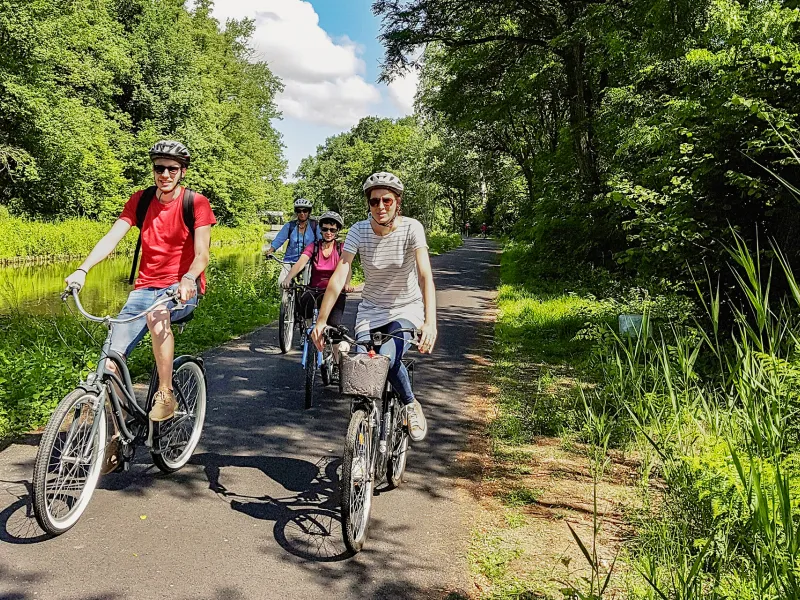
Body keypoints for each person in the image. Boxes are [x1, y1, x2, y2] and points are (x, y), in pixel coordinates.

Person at [65, 140, 216, 421]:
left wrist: (188, 278)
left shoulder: (195, 202)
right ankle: (120, 429)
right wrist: (82, 270)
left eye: (172, 169)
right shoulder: (141, 200)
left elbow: (202, 254)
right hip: (144, 289)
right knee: (110, 362)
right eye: (159, 168)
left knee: (157, 315)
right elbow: (111, 238)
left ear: (182, 171)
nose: (165, 174)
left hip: (180, 289)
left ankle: (165, 393)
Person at [311, 172, 437, 442]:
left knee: (386, 359)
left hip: (405, 308)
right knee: (361, 370)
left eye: (387, 200)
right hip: (370, 310)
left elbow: (425, 274)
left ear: (397, 202)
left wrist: (430, 322)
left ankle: (410, 404)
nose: (380, 206)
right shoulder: (359, 230)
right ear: (368, 204)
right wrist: (321, 321)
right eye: (374, 201)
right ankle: (361, 443)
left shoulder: (412, 228)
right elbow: (340, 273)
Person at [281, 211, 355, 329]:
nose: (328, 233)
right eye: (325, 229)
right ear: (320, 230)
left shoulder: (341, 248)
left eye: (332, 230)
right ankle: (307, 330)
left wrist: (347, 283)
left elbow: (347, 267)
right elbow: (301, 263)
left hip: (335, 292)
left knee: (334, 327)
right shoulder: (314, 246)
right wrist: (288, 278)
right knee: (305, 310)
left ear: (337, 231)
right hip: (314, 290)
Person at [264, 198, 320, 286]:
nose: (302, 213)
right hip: (289, 260)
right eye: (299, 211)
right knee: (281, 282)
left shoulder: (315, 225)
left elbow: (321, 241)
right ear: (296, 212)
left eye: (305, 211)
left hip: (308, 261)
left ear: (309, 212)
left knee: (308, 284)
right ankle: (286, 295)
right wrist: (270, 250)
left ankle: (306, 294)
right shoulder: (290, 225)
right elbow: (279, 239)